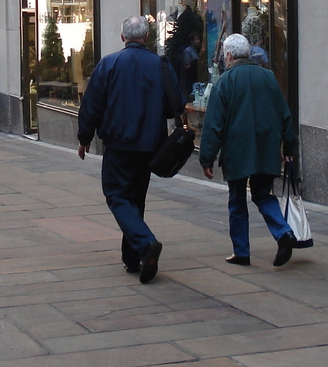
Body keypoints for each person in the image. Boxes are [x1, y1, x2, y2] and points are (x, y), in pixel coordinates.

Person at [77, 15, 175, 284]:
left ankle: (145, 244)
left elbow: (92, 105)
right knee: (136, 198)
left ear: (123, 37)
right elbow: (174, 104)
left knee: (117, 195)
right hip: (150, 144)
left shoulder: (110, 63)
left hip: (120, 143)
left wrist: (84, 138)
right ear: (146, 37)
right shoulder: (160, 64)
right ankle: (133, 258)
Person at [199, 33, 298, 267]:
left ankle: (241, 252)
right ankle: (283, 232)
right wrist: (289, 145)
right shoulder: (268, 77)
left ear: (230, 55)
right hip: (266, 146)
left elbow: (214, 123)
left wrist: (207, 158)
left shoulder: (225, 81)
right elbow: (284, 114)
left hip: (237, 149)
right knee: (263, 194)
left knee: (236, 201)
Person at [179, 32, 202, 99]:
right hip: (188, 80)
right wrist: (194, 64)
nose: (199, 41)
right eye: (196, 39)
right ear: (192, 41)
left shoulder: (195, 51)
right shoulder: (188, 51)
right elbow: (186, 66)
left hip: (194, 78)